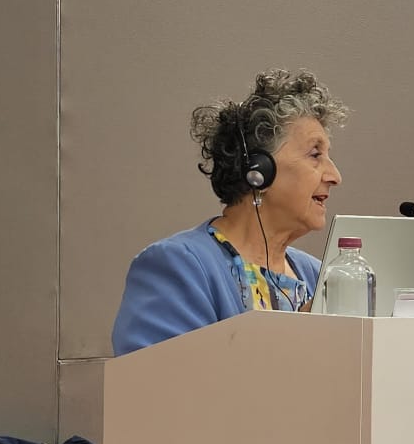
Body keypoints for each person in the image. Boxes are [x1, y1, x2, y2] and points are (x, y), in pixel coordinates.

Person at [112, 69, 346, 355]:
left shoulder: (316, 275)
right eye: (315, 154)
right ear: (259, 171)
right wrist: (296, 338)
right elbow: (157, 377)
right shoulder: (179, 267)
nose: (334, 176)